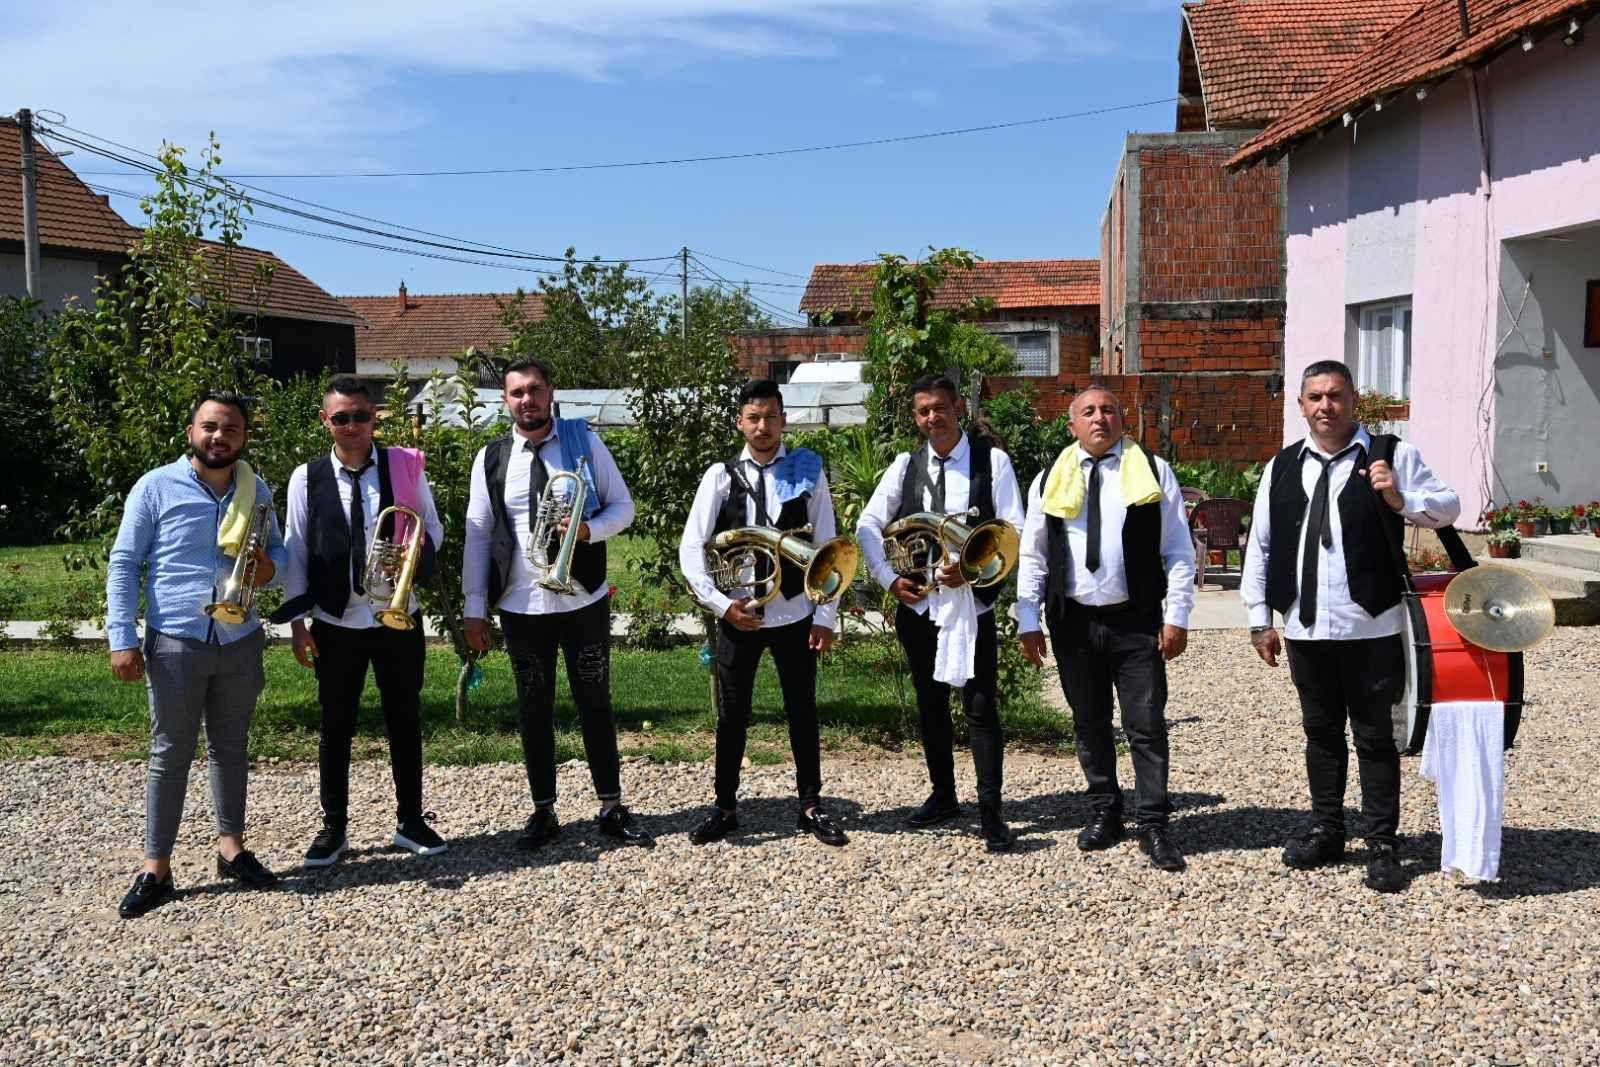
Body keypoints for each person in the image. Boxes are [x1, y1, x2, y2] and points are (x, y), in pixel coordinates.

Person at [1241, 360, 1460, 893]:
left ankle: (1382, 842)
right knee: (1320, 733)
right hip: (1305, 626)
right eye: (1314, 397)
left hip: (1371, 623)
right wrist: (1258, 619)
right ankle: (1327, 828)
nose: (1325, 406)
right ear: (1300, 405)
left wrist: (1400, 499)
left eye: (1334, 396)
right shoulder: (1282, 466)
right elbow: (1262, 545)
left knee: (1374, 736)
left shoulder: (1390, 455)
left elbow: (1449, 507)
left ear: (1352, 401)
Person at [106, 392, 286, 919]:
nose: (219, 437)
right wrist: (121, 636)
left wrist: (268, 566)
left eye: (230, 429)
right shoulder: (155, 487)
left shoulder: (257, 489)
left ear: (243, 437)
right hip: (176, 639)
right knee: (170, 753)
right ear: (191, 432)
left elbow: (276, 551)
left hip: (239, 638)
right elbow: (124, 564)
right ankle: (156, 866)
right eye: (209, 427)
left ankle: (231, 849)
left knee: (232, 746)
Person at [462, 356, 650, 850]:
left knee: (595, 701)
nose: (527, 399)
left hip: (582, 598)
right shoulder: (492, 458)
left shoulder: (582, 441)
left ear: (551, 392)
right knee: (533, 706)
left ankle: (610, 805)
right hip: (521, 604)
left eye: (535, 389)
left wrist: (588, 530)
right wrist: (474, 607)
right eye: (517, 392)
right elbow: (478, 536)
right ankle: (543, 810)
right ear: (506, 401)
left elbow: (624, 508)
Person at [1016, 386, 1195, 872]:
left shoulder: (1152, 472)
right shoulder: (1049, 480)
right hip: (1073, 621)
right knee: (1089, 722)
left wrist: (1176, 616)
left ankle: (1154, 822)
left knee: (1146, 724)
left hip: (1135, 621)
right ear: (1071, 425)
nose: (1100, 419)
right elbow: (1033, 553)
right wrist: (1027, 617)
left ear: (1123, 419)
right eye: (1089, 412)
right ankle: (1104, 810)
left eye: (1109, 410)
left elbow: (1178, 550)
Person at [273, 376, 447, 868]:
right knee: (335, 724)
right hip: (335, 619)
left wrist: (411, 557)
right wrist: (299, 622)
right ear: (326, 421)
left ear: (375, 418)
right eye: (342, 417)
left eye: (362, 416)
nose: (353, 426)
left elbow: (431, 525)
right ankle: (334, 826)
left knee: (404, 719)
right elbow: (296, 550)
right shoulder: (305, 478)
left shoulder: (404, 465)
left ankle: (410, 819)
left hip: (397, 617)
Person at [856, 374, 1026, 852]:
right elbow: (868, 524)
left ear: (958, 409)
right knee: (930, 705)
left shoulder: (993, 462)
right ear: (916, 417)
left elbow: (1016, 530)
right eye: (923, 411)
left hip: (972, 604)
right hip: (920, 604)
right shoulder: (905, 465)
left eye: (940, 408)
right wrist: (891, 579)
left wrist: (972, 573)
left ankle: (991, 811)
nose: (933, 417)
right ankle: (944, 796)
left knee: (980, 708)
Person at [677, 379, 849, 847]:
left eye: (771, 417)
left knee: (802, 712)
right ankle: (725, 806)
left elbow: (829, 550)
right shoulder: (720, 476)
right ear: (740, 422)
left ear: (784, 421)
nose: (763, 426)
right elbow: (691, 548)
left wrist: (825, 617)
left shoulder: (807, 472)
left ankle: (810, 805)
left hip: (794, 613)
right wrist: (721, 606)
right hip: (741, 615)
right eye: (754, 418)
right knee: (733, 715)